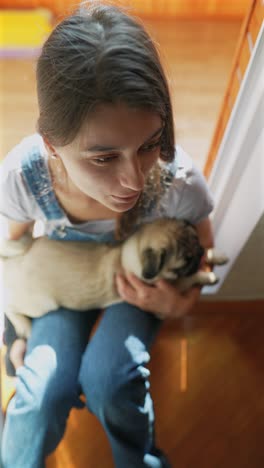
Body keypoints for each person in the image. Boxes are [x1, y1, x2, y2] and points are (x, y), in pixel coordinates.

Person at [0, 2, 214, 467]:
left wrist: (181, 304)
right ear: (51, 146)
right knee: (40, 394)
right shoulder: (22, 177)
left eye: (149, 145)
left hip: (136, 293)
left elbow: (204, 254)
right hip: (61, 286)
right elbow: (10, 257)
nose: (135, 181)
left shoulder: (177, 182)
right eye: (103, 158)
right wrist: (14, 332)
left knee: (111, 381)